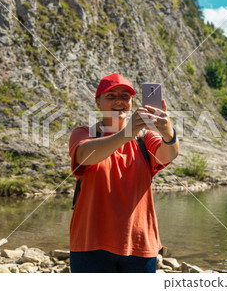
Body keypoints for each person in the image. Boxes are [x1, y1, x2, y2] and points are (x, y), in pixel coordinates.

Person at [68, 73, 179, 273]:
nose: (119, 101)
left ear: (132, 102)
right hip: (89, 244)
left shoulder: (146, 139)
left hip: (140, 245)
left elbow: (169, 154)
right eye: (111, 96)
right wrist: (126, 134)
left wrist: (169, 133)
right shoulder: (84, 133)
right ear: (98, 101)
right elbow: (85, 155)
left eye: (125, 96)